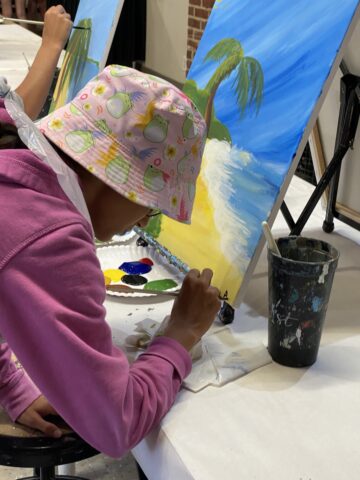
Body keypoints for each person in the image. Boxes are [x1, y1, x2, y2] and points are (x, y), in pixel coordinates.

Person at [0, 6, 221, 460]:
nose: (144, 222)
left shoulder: (11, 140)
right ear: (112, 177)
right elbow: (116, 423)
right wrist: (180, 333)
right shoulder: (51, 237)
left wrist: (9, 383)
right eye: (149, 202)